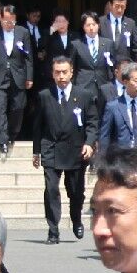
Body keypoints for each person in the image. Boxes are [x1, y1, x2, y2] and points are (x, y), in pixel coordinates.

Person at [33, 56, 95, 246]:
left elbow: (92, 123)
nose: (61, 76)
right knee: (51, 190)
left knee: (76, 192)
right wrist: (36, 151)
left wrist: (90, 143)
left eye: (64, 72)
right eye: (57, 72)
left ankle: (76, 219)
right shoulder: (45, 95)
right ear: (52, 74)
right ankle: (53, 230)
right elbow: (38, 125)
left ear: (71, 72)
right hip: (51, 148)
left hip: (75, 150)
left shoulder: (84, 95)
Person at [0, 5, 32, 156]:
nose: (9, 23)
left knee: (18, 107)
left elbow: (28, 56)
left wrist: (29, 77)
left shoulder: (23, 32)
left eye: (12, 21)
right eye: (6, 20)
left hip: (17, 75)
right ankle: (2, 140)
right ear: (0, 18)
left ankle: (11, 134)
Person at [97, 65, 137, 151]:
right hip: (122, 158)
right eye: (136, 81)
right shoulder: (113, 107)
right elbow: (105, 137)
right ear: (125, 82)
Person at [68, 12, 115, 107]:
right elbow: (72, 66)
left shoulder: (108, 43)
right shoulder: (76, 44)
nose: (91, 28)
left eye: (94, 24)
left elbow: (113, 65)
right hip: (84, 85)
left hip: (103, 85)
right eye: (88, 25)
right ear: (83, 27)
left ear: (98, 25)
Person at [98, 0, 137, 64]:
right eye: (117, 6)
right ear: (110, 5)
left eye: (122, 7)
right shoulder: (101, 22)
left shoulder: (130, 23)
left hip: (124, 65)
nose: (119, 10)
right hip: (105, 64)